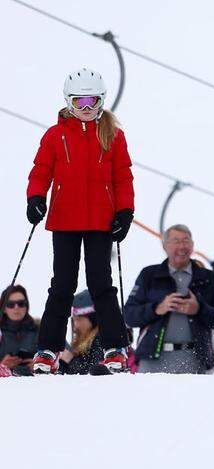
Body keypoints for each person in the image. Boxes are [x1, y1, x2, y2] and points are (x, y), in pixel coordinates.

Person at [25, 69, 134, 374]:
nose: (86, 108)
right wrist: (36, 198)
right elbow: (41, 172)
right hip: (65, 220)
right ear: (68, 101)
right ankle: (48, 350)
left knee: (101, 283)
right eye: (80, 100)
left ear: (101, 101)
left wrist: (125, 211)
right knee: (62, 284)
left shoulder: (113, 135)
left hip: (100, 221)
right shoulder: (55, 135)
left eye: (92, 100)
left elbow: (123, 177)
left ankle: (115, 348)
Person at [124, 224, 214, 374]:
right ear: (165, 246)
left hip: (198, 364)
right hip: (152, 364)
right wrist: (156, 308)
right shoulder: (149, 275)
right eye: (176, 241)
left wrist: (199, 309)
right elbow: (129, 316)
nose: (182, 246)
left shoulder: (208, 278)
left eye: (186, 241)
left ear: (193, 245)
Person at [57, 292, 107, 375]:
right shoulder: (81, 344)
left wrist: (65, 362)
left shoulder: (100, 342)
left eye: (79, 320)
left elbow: (89, 377)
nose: (76, 326)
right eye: (74, 320)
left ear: (93, 319)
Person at [1, 285, 38, 376]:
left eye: (21, 303)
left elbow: (60, 358)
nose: (16, 307)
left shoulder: (42, 329)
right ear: (4, 308)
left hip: (36, 386)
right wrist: (2, 366)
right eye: (10, 304)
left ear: (27, 306)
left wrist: (39, 365)